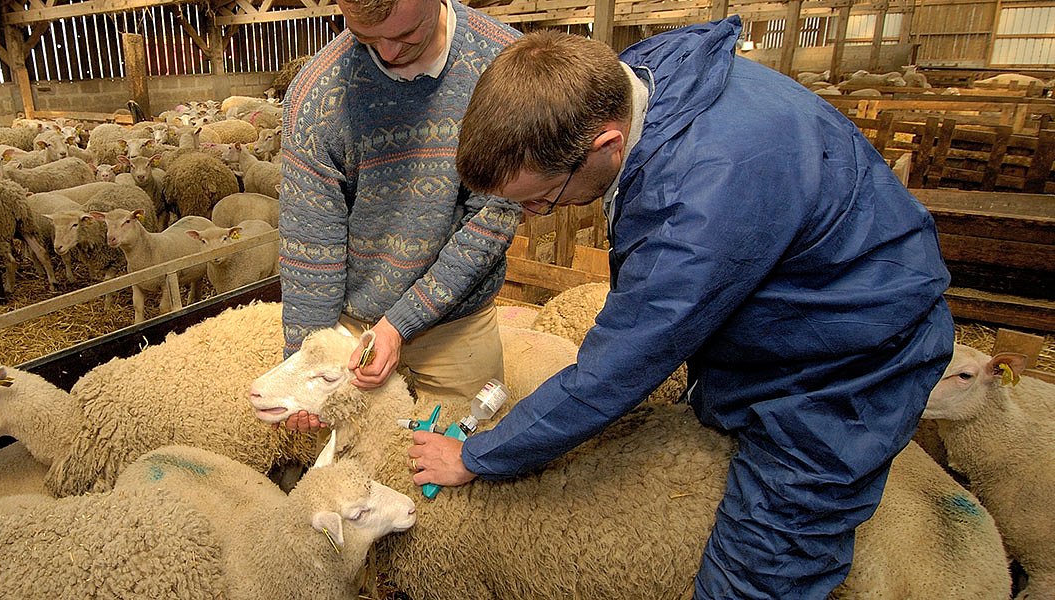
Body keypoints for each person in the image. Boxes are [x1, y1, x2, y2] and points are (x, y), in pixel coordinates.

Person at [410, 22, 955, 599]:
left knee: (762, 564)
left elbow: (614, 372)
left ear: (606, 145)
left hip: (844, 364)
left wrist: (478, 456)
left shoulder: (694, 208)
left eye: (542, 199)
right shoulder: (648, 82)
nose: (535, 215)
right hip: (803, 307)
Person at [277, 0, 523, 422]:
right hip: (353, 323)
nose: (387, 52)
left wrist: (400, 323)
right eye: (365, 36)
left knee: (465, 440)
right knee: (353, 452)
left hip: (455, 320)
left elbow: (491, 219)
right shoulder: (318, 94)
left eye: (406, 34)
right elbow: (311, 246)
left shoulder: (505, 70)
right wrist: (303, 360)